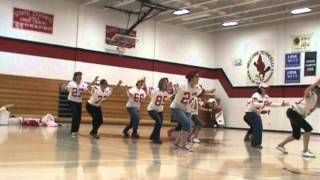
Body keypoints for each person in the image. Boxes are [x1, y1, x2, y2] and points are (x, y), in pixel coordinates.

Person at [276, 85, 320, 158]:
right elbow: (307, 91)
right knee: (308, 129)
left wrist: (307, 114)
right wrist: (317, 82)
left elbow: (313, 107)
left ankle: (280, 145)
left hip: (292, 112)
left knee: (296, 135)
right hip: (293, 112)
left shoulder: (314, 99)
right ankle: (305, 151)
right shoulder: (311, 95)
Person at [243, 83, 288, 149]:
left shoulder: (266, 96)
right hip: (250, 113)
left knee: (258, 127)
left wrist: (281, 104)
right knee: (258, 126)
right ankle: (255, 143)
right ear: (260, 88)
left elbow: (271, 103)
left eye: (267, 88)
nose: (266, 89)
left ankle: (255, 142)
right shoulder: (255, 95)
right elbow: (255, 104)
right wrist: (264, 103)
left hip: (256, 113)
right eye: (265, 88)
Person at [170, 70, 204, 151]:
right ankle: (183, 144)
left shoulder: (198, 88)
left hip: (187, 109)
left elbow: (201, 93)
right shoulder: (182, 85)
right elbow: (172, 89)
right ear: (191, 78)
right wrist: (170, 88)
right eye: (196, 76)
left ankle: (177, 142)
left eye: (198, 76)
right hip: (176, 107)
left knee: (188, 127)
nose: (198, 78)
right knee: (186, 123)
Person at [61, 72, 98, 137]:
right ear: (75, 76)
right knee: (75, 115)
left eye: (81, 76)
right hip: (71, 101)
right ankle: (73, 131)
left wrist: (94, 81)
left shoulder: (83, 84)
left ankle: (76, 131)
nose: (80, 77)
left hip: (79, 102)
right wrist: (64, 87)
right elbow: (65, 88)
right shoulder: (71, 83)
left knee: (79, 117)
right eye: (79, 76)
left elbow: (88, 87)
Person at [147, 78, 173, 144]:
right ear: (161, 83)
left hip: (160, 110)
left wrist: (171, 87)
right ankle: (156, 139)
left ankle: (153, 136)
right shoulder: (155, 90)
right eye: (164, 82)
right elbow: (148, 91)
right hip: (152, 109)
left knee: (160, 123)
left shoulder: (167, 92)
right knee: (158, 121)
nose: (166, 84)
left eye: (167, 82)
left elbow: (173, 92)